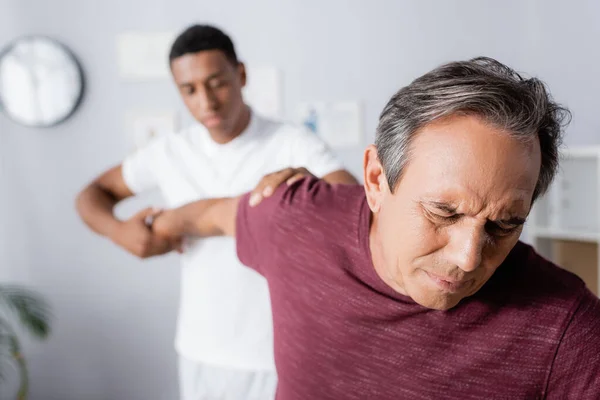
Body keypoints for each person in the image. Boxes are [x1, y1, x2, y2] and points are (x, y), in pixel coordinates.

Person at [151, 57, 600, 399]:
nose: (468, 257)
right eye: (444, 212)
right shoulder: (295, 221)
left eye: (505, 224)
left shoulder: (570, 330)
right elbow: (212, 215)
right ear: (375, 180)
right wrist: (154, 227)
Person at [75, 24, 357, 400]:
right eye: (189, 90)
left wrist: (314, 190)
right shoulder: (170, 152)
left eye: (216, 83)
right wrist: (119, 231)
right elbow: (91, 195)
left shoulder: (292, 143)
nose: (206, 102)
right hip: (200, 351)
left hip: (277, 353)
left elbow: (355, 205)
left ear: (240, 75)